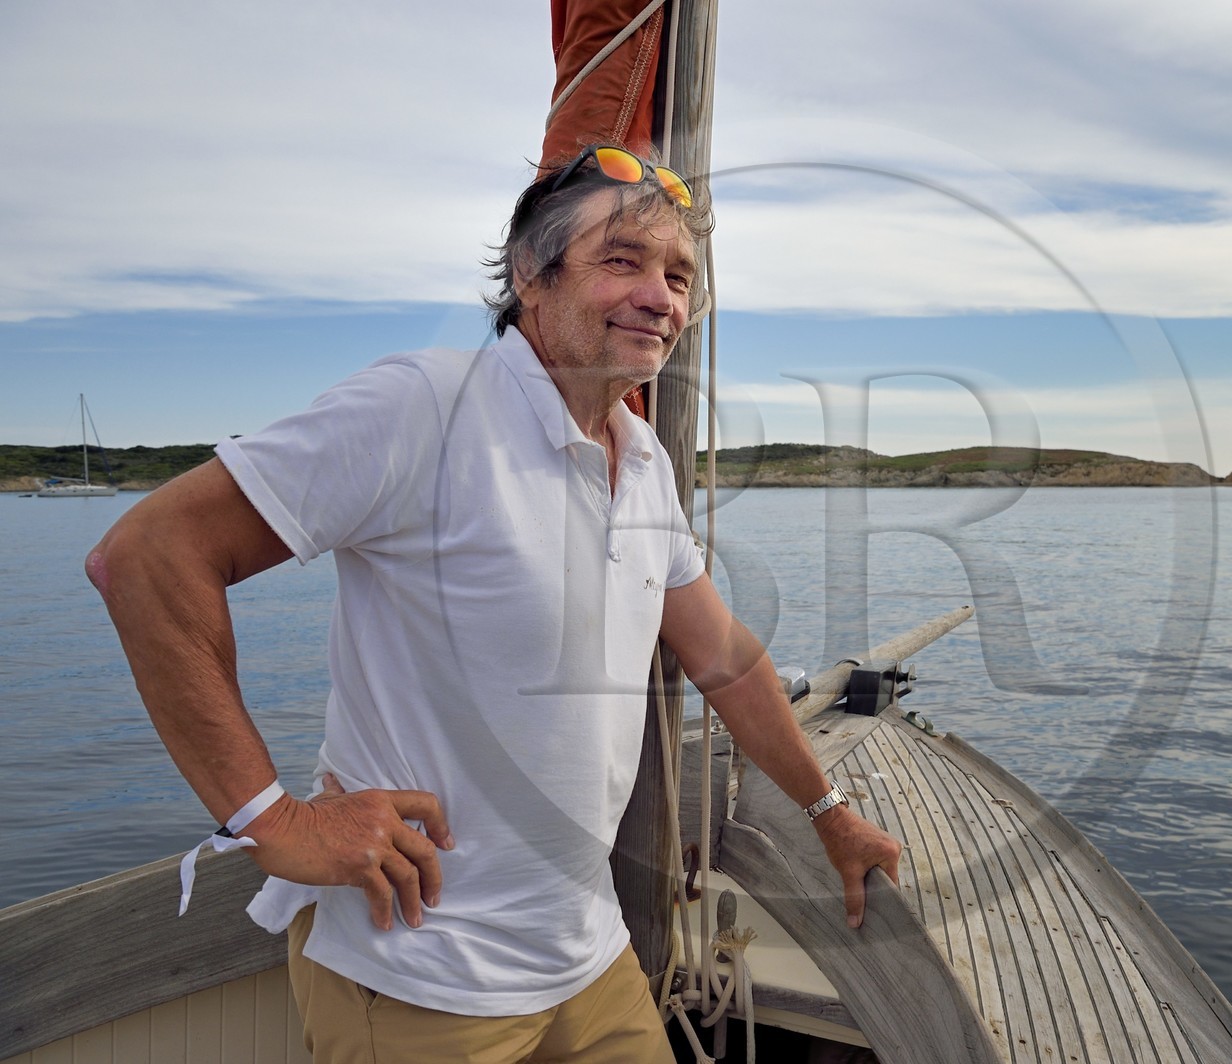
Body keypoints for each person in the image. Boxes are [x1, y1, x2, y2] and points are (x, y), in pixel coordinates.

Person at [87, 143, 902, 1063]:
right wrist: (271, 821)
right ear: (530, 275)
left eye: (679, 277)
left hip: (589, 959)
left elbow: (726, 659)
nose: (661, 298)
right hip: (420, 973)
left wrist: (831, 815)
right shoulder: (426, 407)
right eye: (622, 260)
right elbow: (146, 557)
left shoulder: (642, 460)